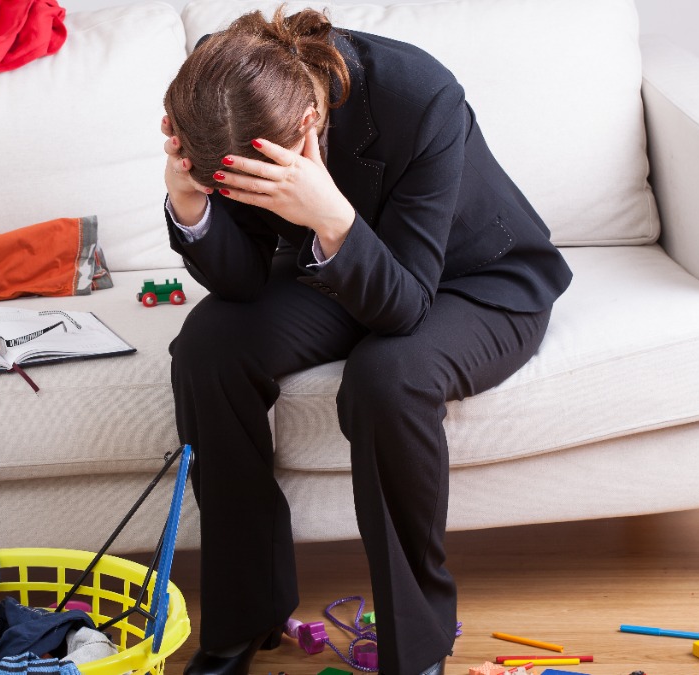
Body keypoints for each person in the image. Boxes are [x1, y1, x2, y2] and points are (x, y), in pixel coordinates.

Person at [160, 7, 572, 675]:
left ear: (305, 127)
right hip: (342, 270)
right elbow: (238, 281)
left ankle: (417, 648)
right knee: (209, 347)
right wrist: (190, 204)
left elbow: (407, 303)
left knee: (389, 377)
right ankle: (243, 616)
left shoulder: (421, 96)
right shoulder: (223, 88)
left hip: (474, 280)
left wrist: (328, 212)